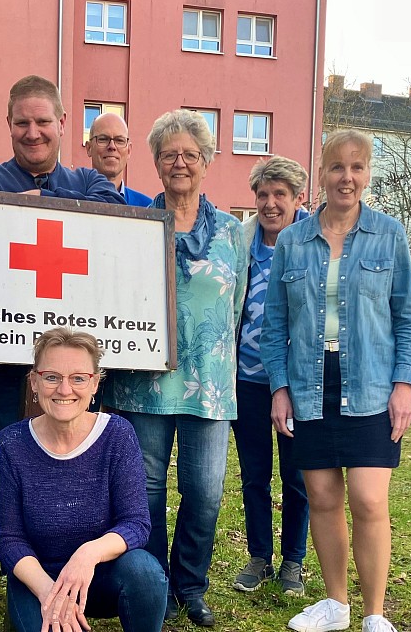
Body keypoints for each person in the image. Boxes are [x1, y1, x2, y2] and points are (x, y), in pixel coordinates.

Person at [259, 129, 411, 632]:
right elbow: (274, 327)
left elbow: (409, 318)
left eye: (356, 167)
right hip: (309, 385)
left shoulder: (389, 234)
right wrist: (280, 388)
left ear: (368, 173)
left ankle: (374, 613)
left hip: (373, 383)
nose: (346, 177)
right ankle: (336, 605)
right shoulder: (291, 240)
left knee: (370, 500)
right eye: (336, 167)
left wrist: (405, 385)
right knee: (324, 498)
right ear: (322, 172)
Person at [106, 109, 248, 627]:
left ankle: (191, 582)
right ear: (156, 163)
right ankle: (156, 583)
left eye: (191, 154)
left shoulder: (235, 233)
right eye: (169, 155)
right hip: (143, 384)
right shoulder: (137, 223)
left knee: (206, 490)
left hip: (209, 386)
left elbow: (233, 309)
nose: (180, 163)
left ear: (207, 162)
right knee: (145, 490)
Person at [0, 75, 125, 432]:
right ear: (9, 125)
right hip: (4, 359)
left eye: (43, 121)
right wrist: (54, 207)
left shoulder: (91, 182)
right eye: (22, 123)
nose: (33, 133)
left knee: (76, 458)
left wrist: (29, 206)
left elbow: (112, 215)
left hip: (74, 363)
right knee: (16, 458)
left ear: (62, 123)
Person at [0, 327, 167, 632]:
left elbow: (136, 523)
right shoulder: (11, 444)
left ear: (95, 383)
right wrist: (51, 594)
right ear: (34, 381)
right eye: (51, 377)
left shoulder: (117, 435)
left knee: (145, 573)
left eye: (78, 378)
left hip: (102, 574)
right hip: (39, 580)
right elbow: (9, 539)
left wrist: (87, 555)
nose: (64, 389)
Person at [232, 156, 311, 596]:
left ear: (298, 198)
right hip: (247, 380)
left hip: (297, 382)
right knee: (254, 474)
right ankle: (260, 556)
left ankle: (293, 562)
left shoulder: (310, 244)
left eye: (280, 194)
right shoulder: (242, 242)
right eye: (262, 194)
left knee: (297, 477)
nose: (270, 203)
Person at [85, 112, 152, 206]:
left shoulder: (148, 208)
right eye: (103, 139)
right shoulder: (68, 202)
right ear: (89, 148)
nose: (112, 146)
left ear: (129, 151)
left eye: (119, 140)